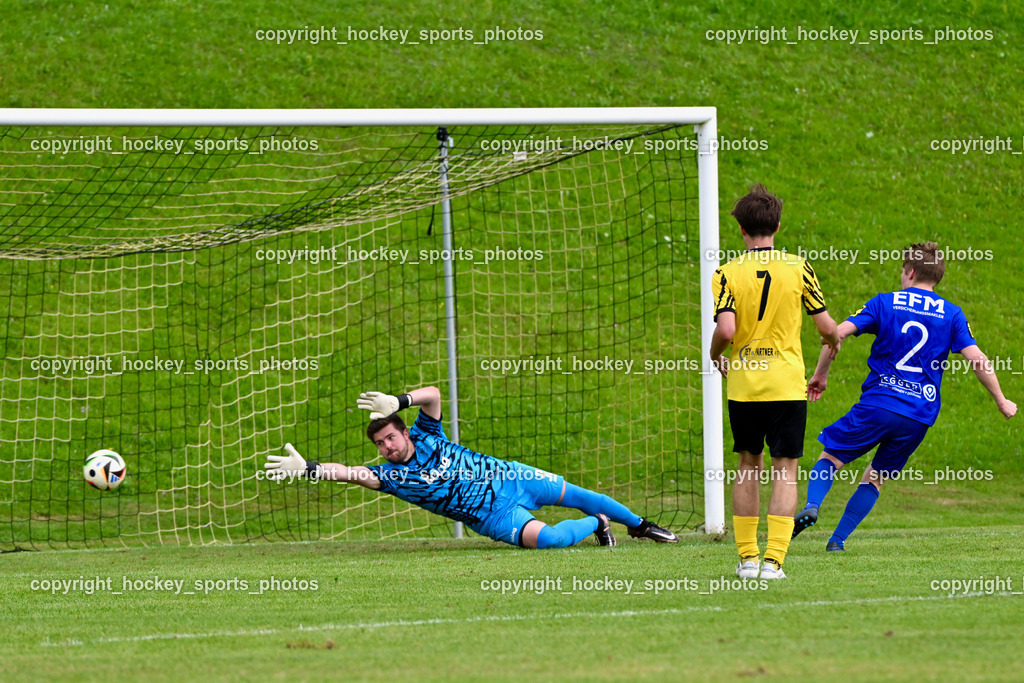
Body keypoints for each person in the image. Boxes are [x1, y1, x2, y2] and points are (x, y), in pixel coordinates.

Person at [792, 242, 1017, 551]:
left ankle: (813, 505)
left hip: (879, 404)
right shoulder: (952, 314)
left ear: (910, 271)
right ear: (936, 278)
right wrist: (1002, 401)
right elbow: (978, 359)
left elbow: (836, 333)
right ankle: (837, 542)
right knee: (876, 477)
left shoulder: (884, 303)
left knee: (831, 457)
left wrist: (821, 375)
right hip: (918, 415)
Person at [264, 386, 678, 548]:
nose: (387, 446)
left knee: (581, 495)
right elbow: (350, 472)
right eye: (380, 444)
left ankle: (640, 524)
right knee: (549, 542)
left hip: (509, 476)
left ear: (404, 432)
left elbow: (434, 395)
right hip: (491, 515)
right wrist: (309, 467)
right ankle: (599, 524)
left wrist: (400, 400)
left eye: (390, 437)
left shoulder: (427, 433)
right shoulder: (391, 477)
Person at [710, 183, 840, 580]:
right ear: (778, 226)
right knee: (786, 470)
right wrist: (832, 344)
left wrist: (715, 355)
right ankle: (774, 562)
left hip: (745, 385)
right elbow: (826, 327)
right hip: (786, 384)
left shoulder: (726, 272)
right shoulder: (798, 267)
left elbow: (727, 329)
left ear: (741, 231)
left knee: (748, 466)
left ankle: (748, 558)